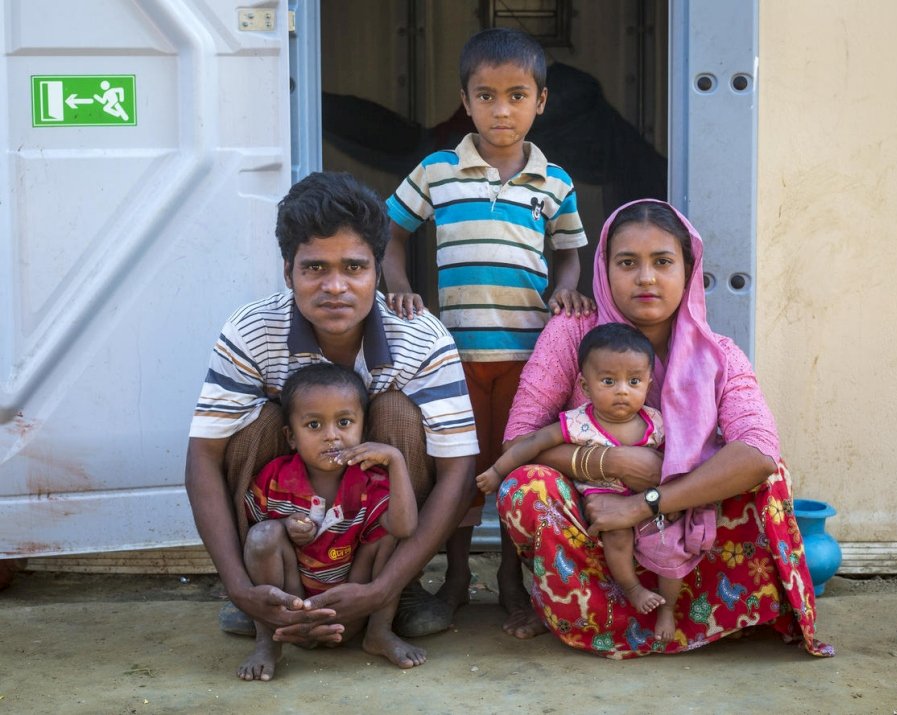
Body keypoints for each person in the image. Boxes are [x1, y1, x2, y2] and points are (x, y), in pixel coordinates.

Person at [496, 199, 835, 658]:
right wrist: (611, 460)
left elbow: (757, 451)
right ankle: (587, 610)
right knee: (524, 488)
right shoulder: (571, 334)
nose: (646, 278)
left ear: (689, 269)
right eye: (627, 262)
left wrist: (646, 502)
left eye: (662, 262)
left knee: (771, 478)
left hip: (683, 521)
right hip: (595, 519)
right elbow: (519, 440)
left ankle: (697, 612)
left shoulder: (718, 355)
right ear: (604, 267)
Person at [185, 171, 479, 651]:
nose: (336, 287)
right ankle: (267, 596)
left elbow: (458, 471)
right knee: (261, 422)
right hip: (284, 532)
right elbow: (203, 458)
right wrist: (240, 586)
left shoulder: (422, 338)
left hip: (378, 548)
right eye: (315, 268)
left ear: (378, 270)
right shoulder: (251, 331)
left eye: (354, 267)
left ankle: (395, 594)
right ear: (288, 272)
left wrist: (384, 585)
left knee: (396, 415)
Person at [382, 27, 595, 621]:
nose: (502, 110)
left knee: (513, 471)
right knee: (460, 475)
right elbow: (391, 234)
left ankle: (510, 583)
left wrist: (567, 288)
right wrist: (397, 285)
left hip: (529, 363)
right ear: (465, 99)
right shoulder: (438, 171)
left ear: (541, 101)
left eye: (517, 95)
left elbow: (572, 252)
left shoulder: (556, 183)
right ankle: (452, 583)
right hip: (454, 362)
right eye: (486, 95)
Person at [478, 322, 697, 640]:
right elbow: (533, 442)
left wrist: (673, 498)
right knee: (618, 536)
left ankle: (667, 610)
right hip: (602, 505)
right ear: (585, 383)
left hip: (649, 504)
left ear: (649, 382)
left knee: (673, 546)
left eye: (633, 381)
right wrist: (498, 471)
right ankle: (631, 589)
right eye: (608, 381)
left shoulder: (657, 422)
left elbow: (677, 462)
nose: (622, 390)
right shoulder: (579, 422)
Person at [238, 363, 422, 679]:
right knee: (262, 535)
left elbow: (405, 528)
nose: (331, 436)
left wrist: (395, 459)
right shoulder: (275, 478)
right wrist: (284, 528)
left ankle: (379, 632)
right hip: (292, 610)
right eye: (313, 425)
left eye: (344, 422)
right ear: (290, 437)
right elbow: (248, 537)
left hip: (353, 607)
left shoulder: (371, 481)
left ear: (363, 431)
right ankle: (267, 641)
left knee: (390, 535)